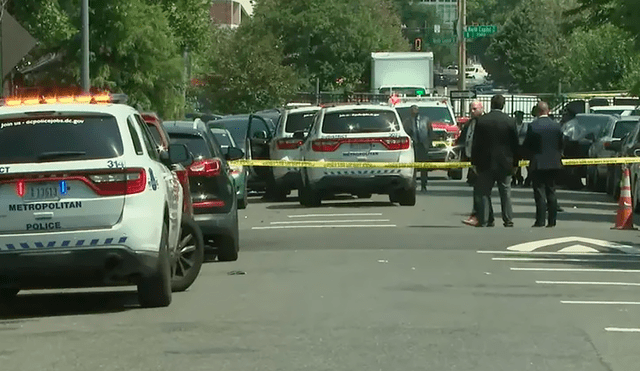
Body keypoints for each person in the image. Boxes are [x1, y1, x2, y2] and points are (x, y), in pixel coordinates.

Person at [469, 94, 519, 228]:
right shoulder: (510, 121)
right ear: (503, 105)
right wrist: (516, 163)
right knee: (505, 192)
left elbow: (476, 144)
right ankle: (508, 219)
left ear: (491, 104)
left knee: (485, 192)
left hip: (486, 163)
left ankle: (485, 220)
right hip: (505, 162)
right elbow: (515, 145)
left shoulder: (482, 121)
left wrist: (474, 162)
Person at [522, 101, 564, 227]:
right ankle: (552, 221)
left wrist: (527, 156)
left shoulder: (533, 126)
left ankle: (540, 220)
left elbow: (527, 145)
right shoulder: (557, 126)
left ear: (538, 112)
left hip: (538, 163)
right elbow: (562, 144)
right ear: (548, 111)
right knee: (551, 191)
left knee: (539, 192)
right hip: (554, 163)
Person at [460, 100, 484, 226]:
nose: (472, 111)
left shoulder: (484, 123)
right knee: (477, 189)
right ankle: (480, 216)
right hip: (471, 160)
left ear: (481, 108)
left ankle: (478, 216)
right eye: (471, 108)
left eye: (475, 108)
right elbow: (464, 140)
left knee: (480, 191)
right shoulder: (469, 123)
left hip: (481, 161)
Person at [403, 105, 432, 192]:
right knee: (413, 168)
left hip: (423, 146)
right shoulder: (407, 121)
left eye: (415, 110)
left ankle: (424, 185)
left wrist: (429, 144)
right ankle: (413, 184)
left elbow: (430, 132)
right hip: (413, 146)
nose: (414, 111)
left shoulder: (425, 120)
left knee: (424, 167)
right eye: (412, 110)